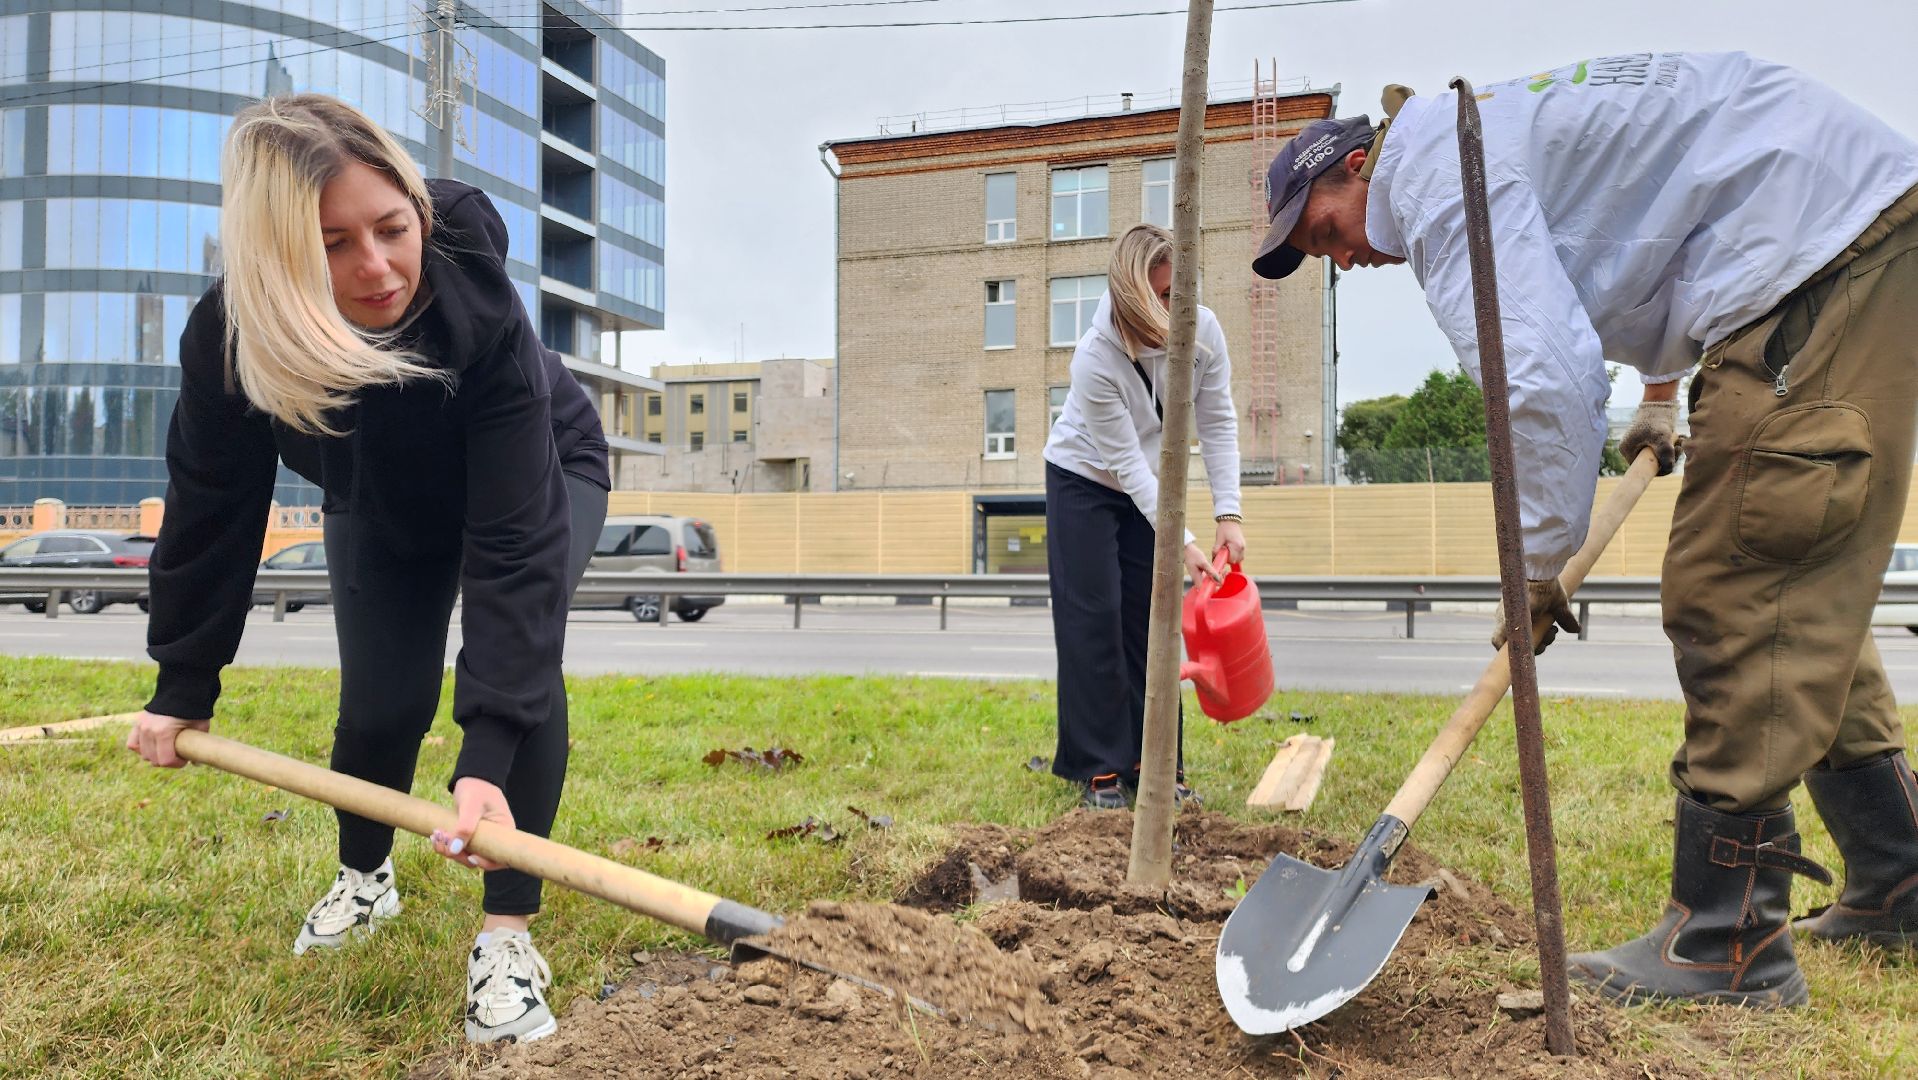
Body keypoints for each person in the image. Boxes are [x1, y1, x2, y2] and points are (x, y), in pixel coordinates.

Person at [1253, 52, 1918, 1006]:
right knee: (1796, 575)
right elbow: (1641, 237)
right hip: (1840, 235)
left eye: (1322, 231)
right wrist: (1657, 393)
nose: (1341, 259)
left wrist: (1534, 570)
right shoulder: (1470, 139)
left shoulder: (1437, 178)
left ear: (1356, 167)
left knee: (1737, 581)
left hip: (1821, 253)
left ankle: (1727, 944)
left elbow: (1542, 382)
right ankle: (1898, 872)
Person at [123, 94, 610, 1044]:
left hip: (538, 466)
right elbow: (213, 510)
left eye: (392, 228)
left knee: (522, 677)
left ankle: (507, 935)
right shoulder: (231, 338)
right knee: (382, 704)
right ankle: (363, 878)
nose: (377, 266)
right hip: (375, 497)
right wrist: (183, 681)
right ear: (277, 257)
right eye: (334, 243)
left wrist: (482, 758)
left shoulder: (470, 283)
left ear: (419, 213)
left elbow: (513, 546)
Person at [1043, 223, 1248, 810]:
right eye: (1158, 297)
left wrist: (1228, 512)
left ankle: (1156, 765)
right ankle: (1101, 769)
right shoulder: (1095, 357)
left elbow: (1217, 421)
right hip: (1085, 477)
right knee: (1095, 617)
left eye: (1176, 291)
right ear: (1130, 299)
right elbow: (1126, 465)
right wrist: (1183, 539)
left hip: (1150, 485)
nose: (1171, 307)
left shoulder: (1203, 328)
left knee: (1151, 622)